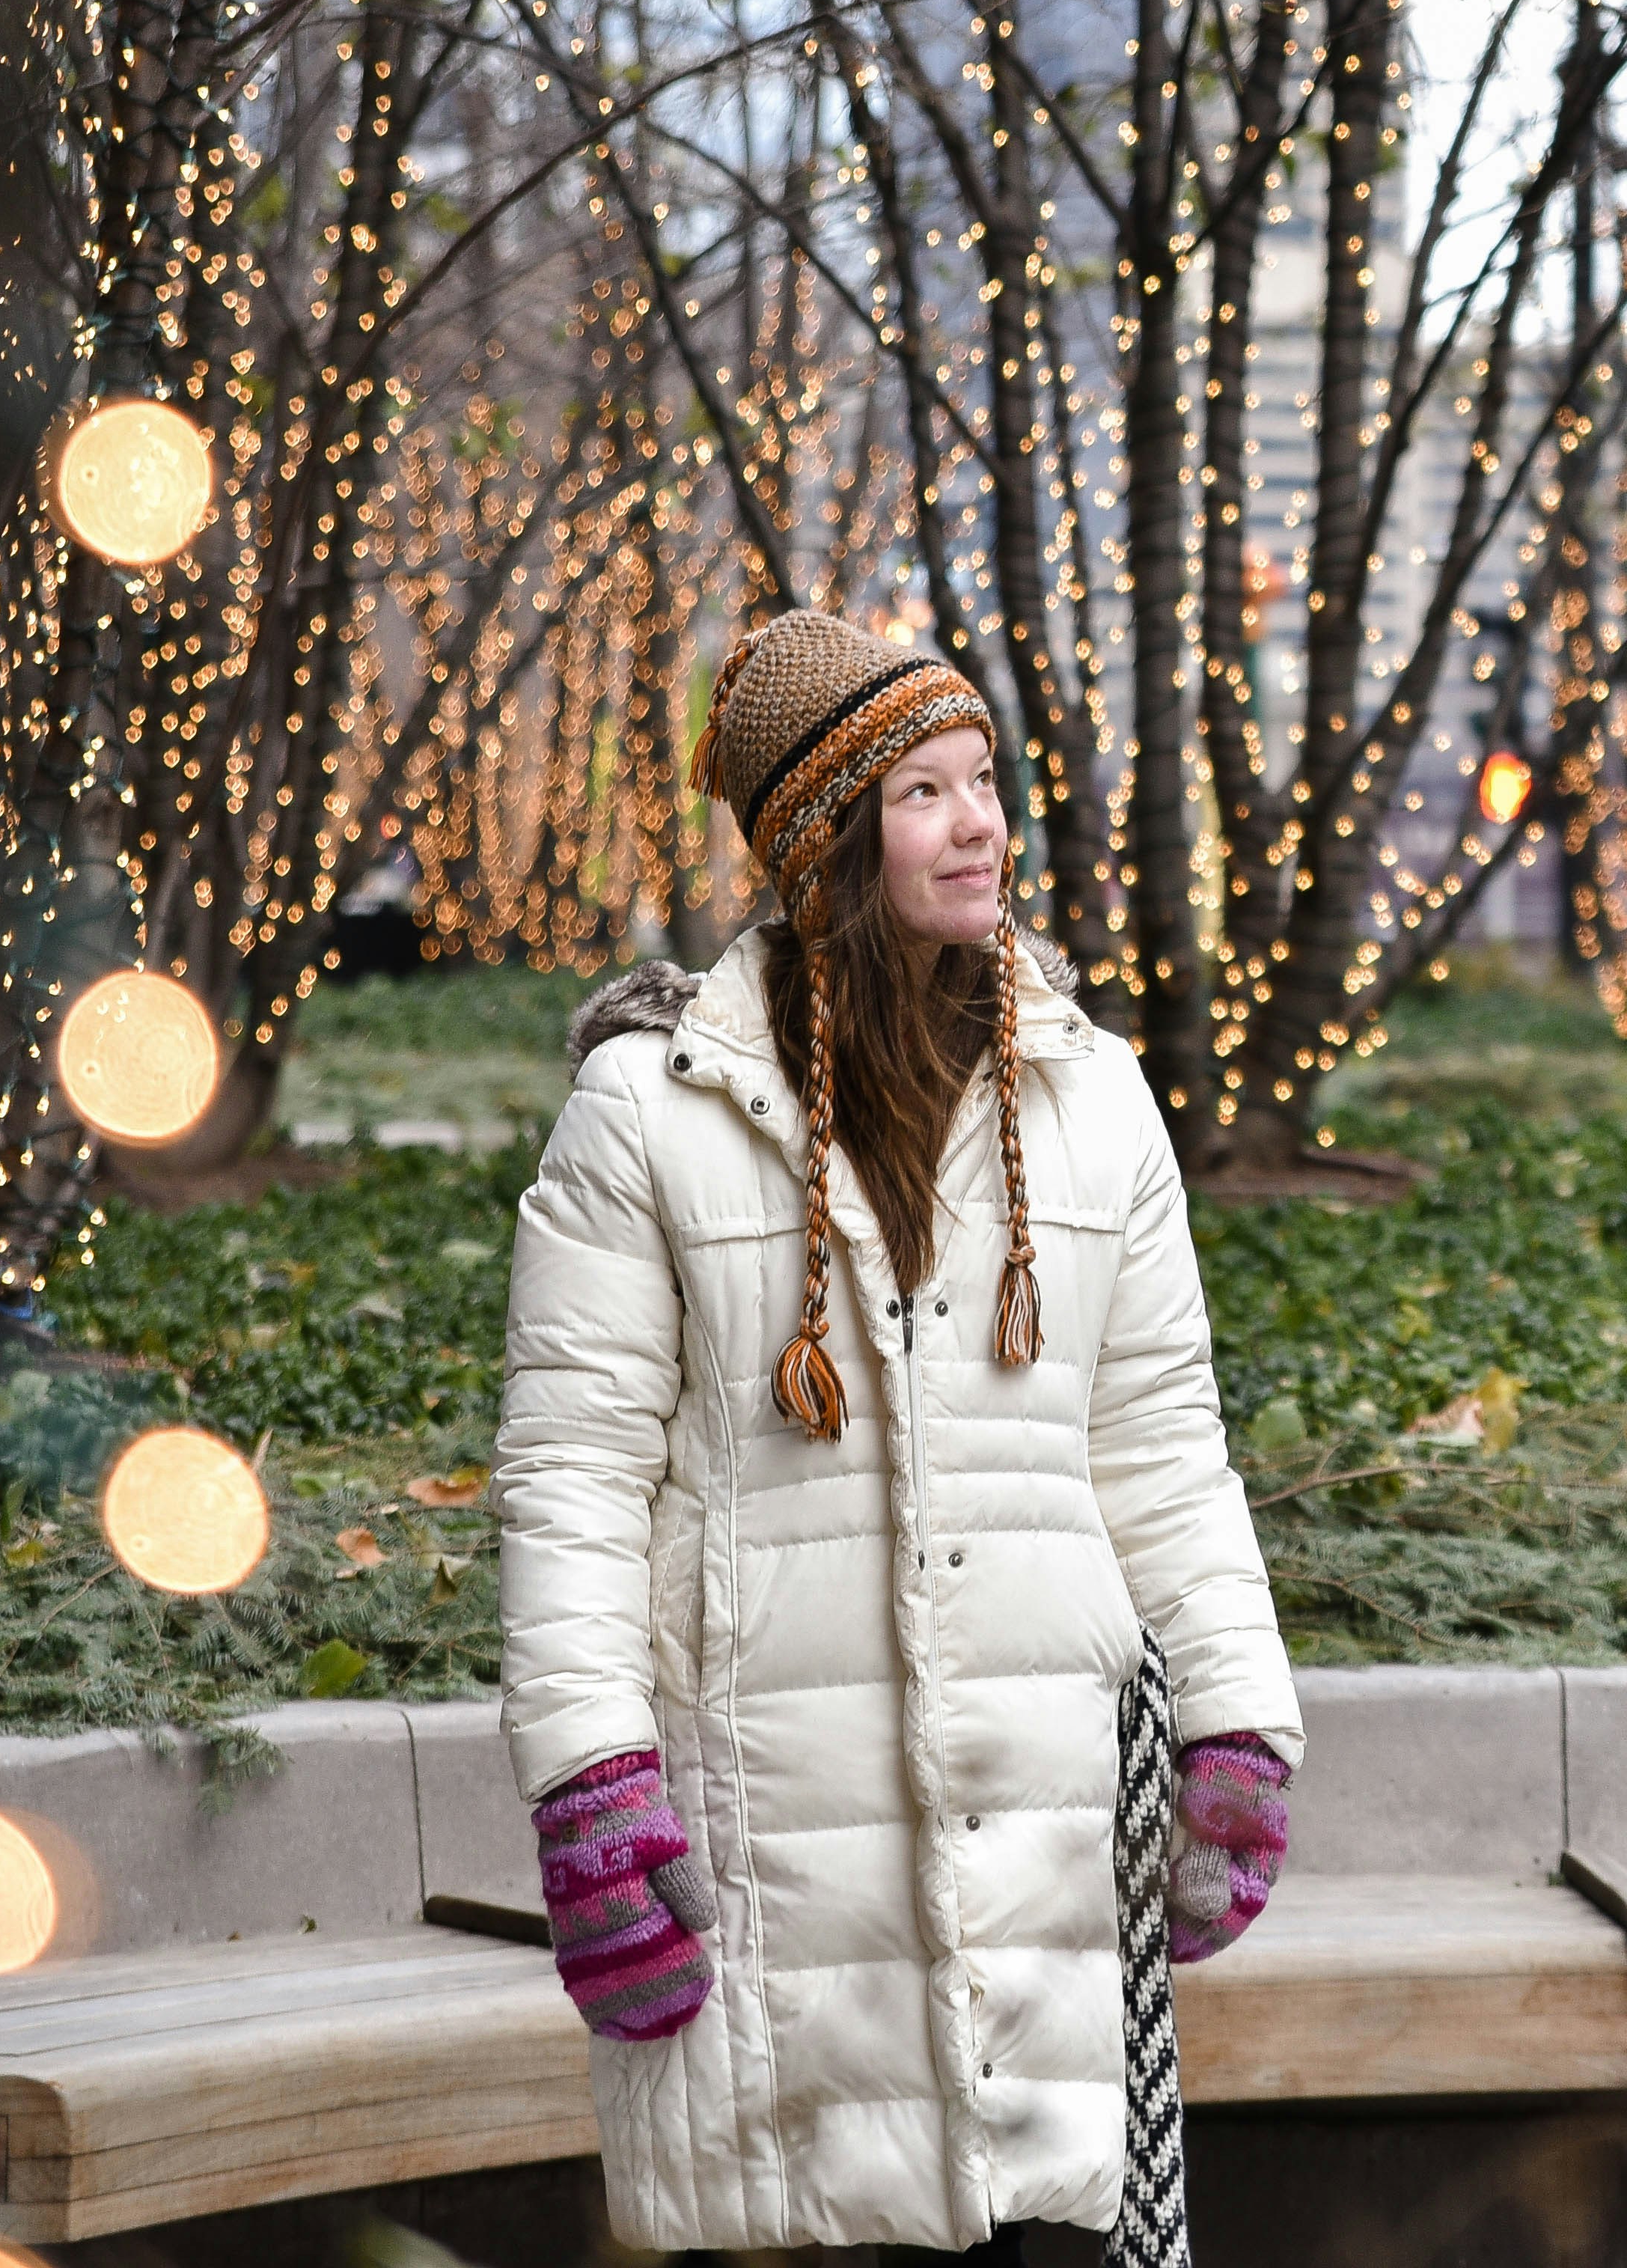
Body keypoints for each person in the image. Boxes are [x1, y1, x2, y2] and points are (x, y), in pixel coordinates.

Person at [497, 608, 1300, 2261]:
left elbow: (1161, 1446)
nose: (983, 822)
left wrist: (1234, 1717)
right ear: (828, 837)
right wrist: (589, 1781)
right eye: (927, 790)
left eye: (985, 779)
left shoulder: (1091, 1100)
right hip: (778, 1846)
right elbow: (571, 1476)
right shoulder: (649, 1113)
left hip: (1045, 1843)